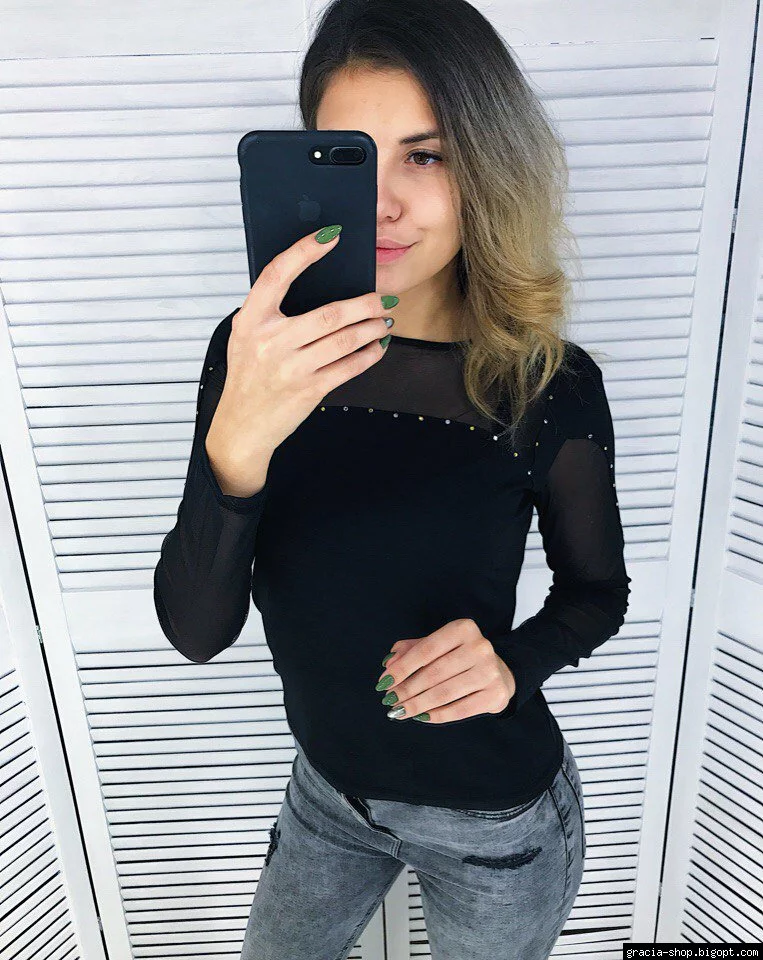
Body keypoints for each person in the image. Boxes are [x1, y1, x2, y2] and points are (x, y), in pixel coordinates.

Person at [153, 0, 631, 956]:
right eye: (350, 158)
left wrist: (512, 663)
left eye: (426, 155)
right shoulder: (251, 355)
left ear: (485, 163)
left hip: (493, 823)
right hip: (326, 795)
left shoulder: (547, 383)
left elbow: (596, 593)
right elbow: (196, 633)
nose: (381, 206)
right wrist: (235, 445)